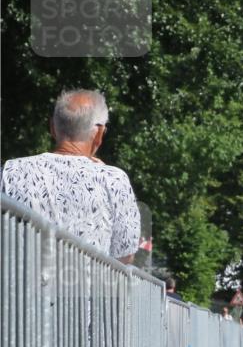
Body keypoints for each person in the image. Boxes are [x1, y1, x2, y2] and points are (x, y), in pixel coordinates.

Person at [1, 89, 140, 263]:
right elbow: (125, 254)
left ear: (53, 128)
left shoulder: (10, 171)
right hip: (90, 281)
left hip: (21, 280)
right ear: (99, 133)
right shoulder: (115, 180)